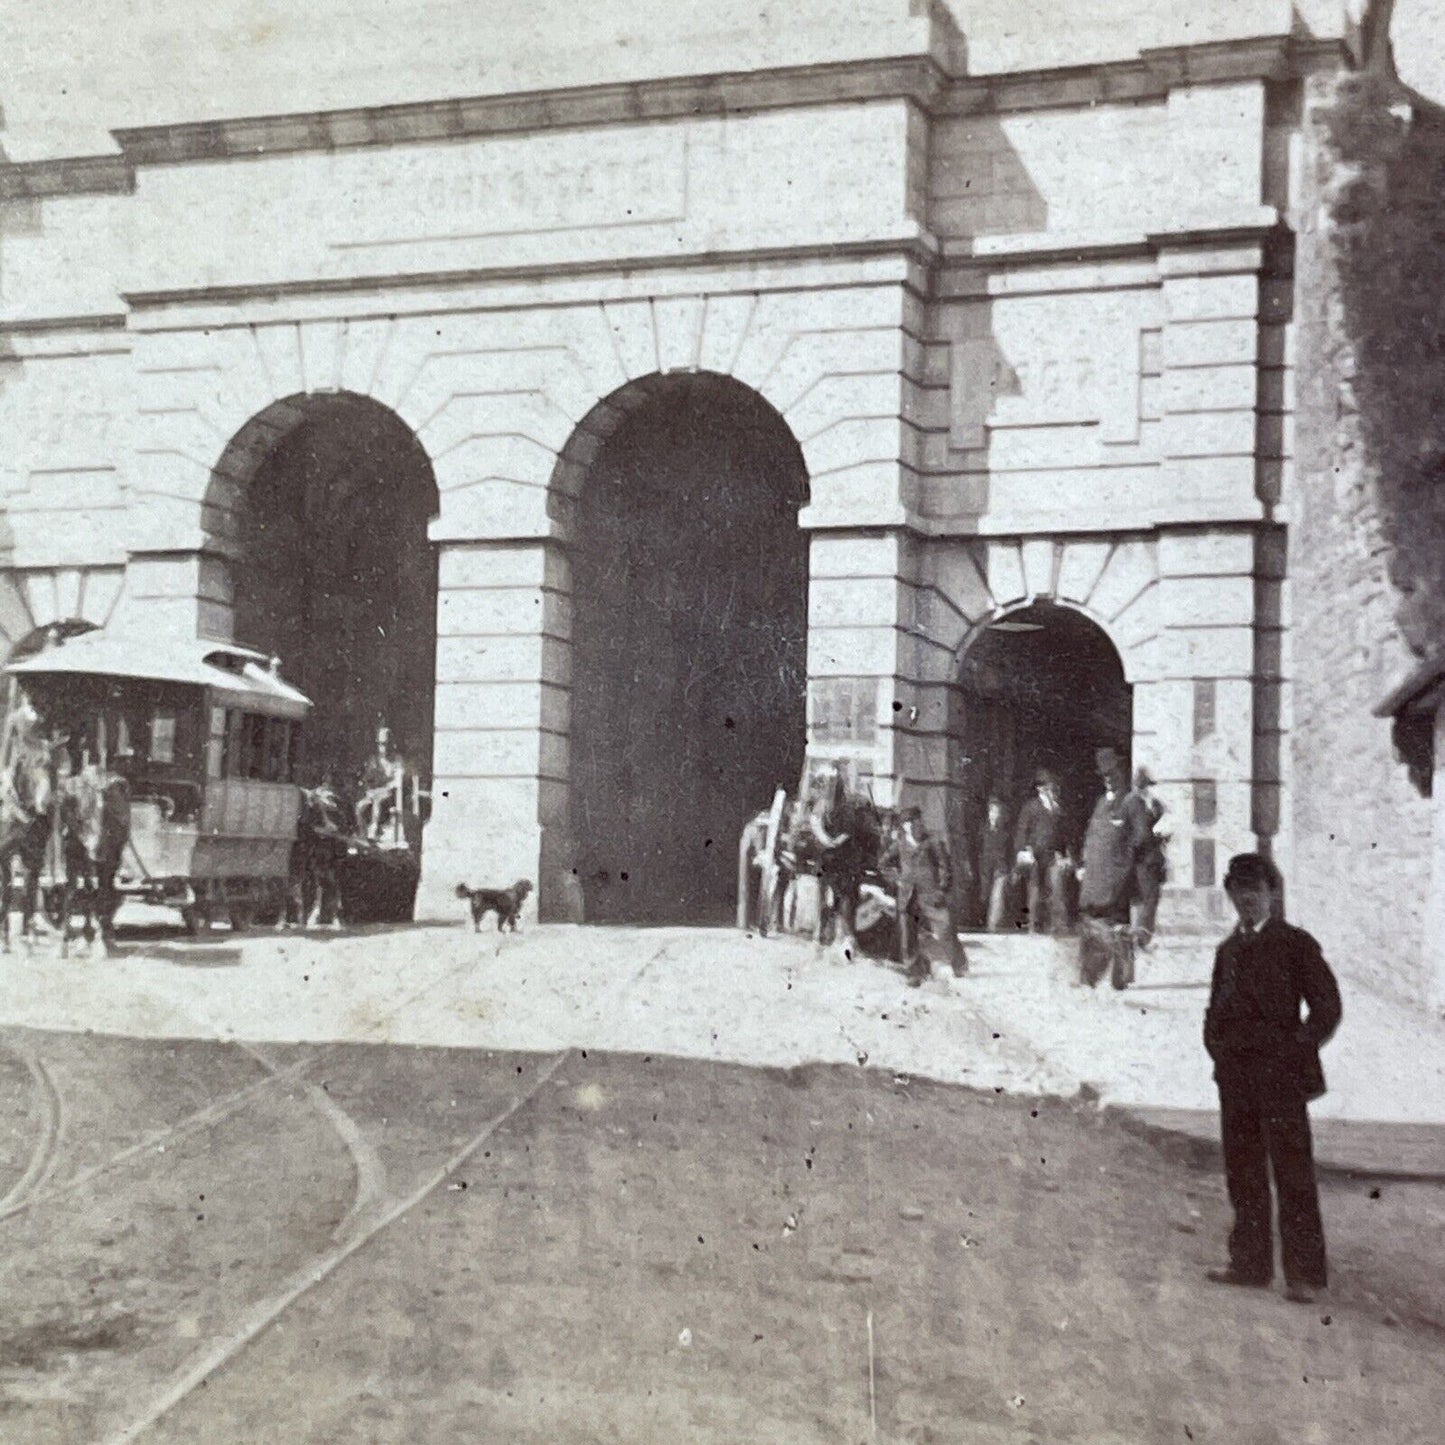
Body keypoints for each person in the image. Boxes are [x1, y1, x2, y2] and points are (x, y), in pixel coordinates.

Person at [1203, 852, 1341, 1305]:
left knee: (1293, 1173)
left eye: (1256, 892)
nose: (1247, 901)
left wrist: (1296, 1050)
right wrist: (1219, 1054)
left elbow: (1326, 1008)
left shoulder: (1295, 944)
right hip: (1237, 1079)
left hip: (1280, 1078)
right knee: (1243, 1172)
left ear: (1272, 894)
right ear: (1229, 895)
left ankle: (1303, 1276)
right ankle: (1249, 1264)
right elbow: (1215, 1011)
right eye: (1239, 892)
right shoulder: (1228, 950)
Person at [1076, 746, 1151, 987]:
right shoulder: (1100, 803)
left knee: (1115, 924)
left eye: (1113, 774)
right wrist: (1083, 863)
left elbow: (1141, 837)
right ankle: (1089, 977)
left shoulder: (1131, 802)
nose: (1109, 780)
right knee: (1091, 923)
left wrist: (1125, 860)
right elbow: (1090, 836)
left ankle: (1122, 973)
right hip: (1095, 876)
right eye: (1105, 776)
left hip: (1118, 877)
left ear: (1122, 773)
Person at [883, 805, 967, 986]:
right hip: (907, 896)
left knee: (945, 929)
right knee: (908, 935)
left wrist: (941, 889)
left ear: (919, 822)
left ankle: (959, 965)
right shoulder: (900, 844)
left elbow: (945, 867)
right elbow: (883, 863)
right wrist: (896, 879)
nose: (910, 827)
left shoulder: (933, 842)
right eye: (905, 824)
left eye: (913, 823)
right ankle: (913, 972)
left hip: (931, 895)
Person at [1012, 770, 1070, 934]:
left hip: (1052, 855)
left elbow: (1063, 834)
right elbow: (1022, 831)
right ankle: (1033, 925)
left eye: (1051, 785)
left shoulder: (1057, 809)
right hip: (1034, 856)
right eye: (1047, 785)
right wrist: (1024, 850)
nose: (1050, 788)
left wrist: (1064, 854)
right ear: (1040, 788)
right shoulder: (1031, 807)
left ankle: (1057, 925)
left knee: (1057, 887)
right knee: (1035, 890)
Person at [1129, 766, 1169, 948]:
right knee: (1147, 899)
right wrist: (1155, 836)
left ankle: (1143, 937)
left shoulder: (1152, 804)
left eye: (1147, 786)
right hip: (1143, 859)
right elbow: (1140, 835)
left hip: (1154, 858)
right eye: (1144, 785)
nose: (1146, 789)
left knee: (1151, 899)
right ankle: (1142, 939)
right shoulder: (1133, 803)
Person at [356, 725, 405, 840]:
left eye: (386, 743)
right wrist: (367, 787)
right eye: (380, 744)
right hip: (374, 793)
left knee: (378, 801)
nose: (383, 747)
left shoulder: (397, 760)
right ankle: (363, 834)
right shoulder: (374, 760)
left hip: (391, 796)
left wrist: (384, 789)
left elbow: (398, 781)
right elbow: (367, 778)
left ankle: (373, 829)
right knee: (360, 806)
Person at [978, 795, 1013, 931]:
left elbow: (1010, 850)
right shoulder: (982, 829)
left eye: (997, 812)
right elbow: (977, 847)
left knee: (997, 895)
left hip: (1001, 866)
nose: (994, 815)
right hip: (985, 866)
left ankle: (993, 925)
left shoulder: (1006, 831)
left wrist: (1009, 867)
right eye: (992, 811)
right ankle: (985, 922)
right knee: (985, 895)